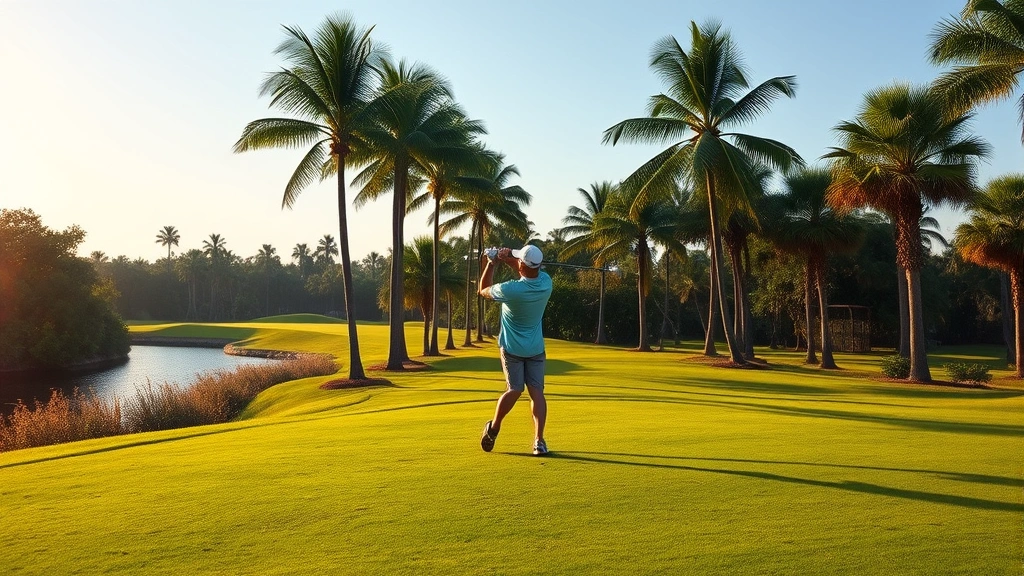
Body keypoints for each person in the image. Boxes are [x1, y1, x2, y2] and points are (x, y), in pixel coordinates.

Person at [477, 243, 553, 456]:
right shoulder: (547, 283)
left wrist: (492, 262)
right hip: (536, 349)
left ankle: (494, 427)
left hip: (512, 349)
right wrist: (509, 257)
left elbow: (483, 290)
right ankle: (539, 441)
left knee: (515, 389)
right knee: (536, 393)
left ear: (521, 266)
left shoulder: (510, 290)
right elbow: (528, 272)